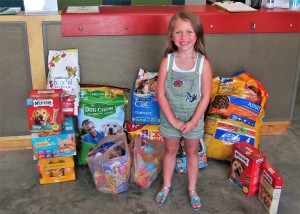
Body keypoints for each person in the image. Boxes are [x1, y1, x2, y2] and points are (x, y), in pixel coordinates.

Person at [154, 11, 213, 211]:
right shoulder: (167, 62)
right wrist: (173, 120)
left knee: (192, 152)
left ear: (197, 35)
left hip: (193, 118)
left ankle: (192, 189)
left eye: (189, 32)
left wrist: (194, 121)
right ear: (171, 36)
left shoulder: (203, 64)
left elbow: (206, 96)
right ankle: (166, 185)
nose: (184, 37)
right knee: (170, 151)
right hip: (170, 118)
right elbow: (160, 94)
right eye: (178, 32)